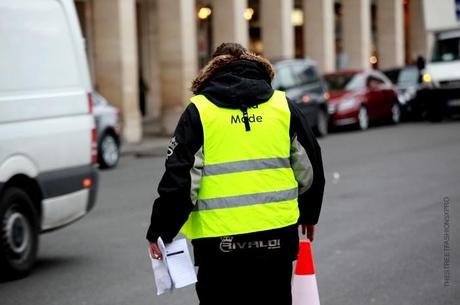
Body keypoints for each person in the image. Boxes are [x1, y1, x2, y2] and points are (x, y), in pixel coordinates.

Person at [146, 42, 325, 305]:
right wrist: (309, 213)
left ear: (211, 69)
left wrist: (161, 230)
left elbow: (180, 182)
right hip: (276, 239)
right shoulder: (282, 106)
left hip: (219, 247)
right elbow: (310, 167)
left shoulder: (200, 111)